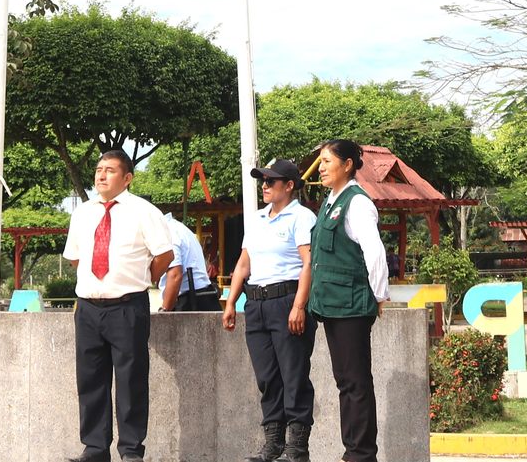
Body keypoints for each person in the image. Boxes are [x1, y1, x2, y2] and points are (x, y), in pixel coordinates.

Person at [63, 149, 174, 462]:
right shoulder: (82, 213)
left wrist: (140, 279)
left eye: (110, 170)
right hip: (88, 308)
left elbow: (164, 255)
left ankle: (131, 450)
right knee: (90, 379)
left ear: (127, 178)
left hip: (127, 306)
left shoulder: (144, 211)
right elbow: (75, 258)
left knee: (131, 380)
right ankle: (95, 448)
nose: (101, 175)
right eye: (99, 169)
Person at [221, 157, 318, 462]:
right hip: (257, 304)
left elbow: (308, 264)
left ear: (289, 186)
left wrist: (299, 305)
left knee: (293, 375)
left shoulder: (301, 217)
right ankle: (273, 444)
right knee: (267, 377)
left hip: (287, 300)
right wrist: (231, 303)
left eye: (270, 181)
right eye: (263, 181)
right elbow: (243, 264)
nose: (264, 186)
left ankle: (297, 448)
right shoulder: (257, 219)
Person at [308, 139, 388, 462]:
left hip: (351, 305)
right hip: (332, 305)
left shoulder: (357, 203)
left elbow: (374, 252)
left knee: (356, 382)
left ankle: (362, 454)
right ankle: (352, 450)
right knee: (345, 382)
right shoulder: (330, 202)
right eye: (321, 162)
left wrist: (379, 294)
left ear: (348, 165)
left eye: (328, 161)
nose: (321, 168)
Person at [159, 213, 218, 313]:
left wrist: (164, 311)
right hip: (201, 294)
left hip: (189, 299)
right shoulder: (177, 227)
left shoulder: (167, 232)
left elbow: (175, 276)